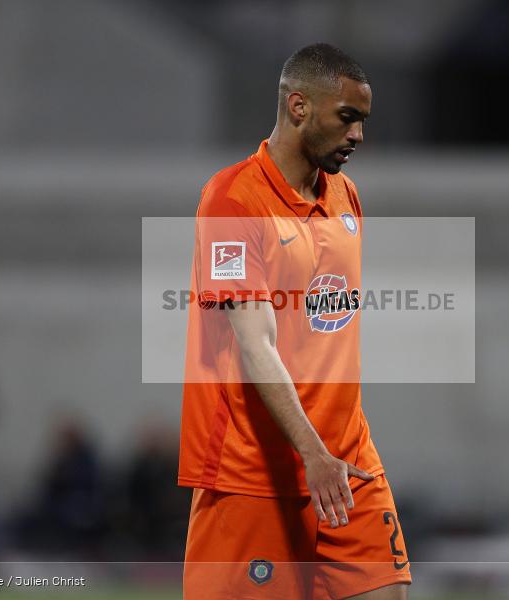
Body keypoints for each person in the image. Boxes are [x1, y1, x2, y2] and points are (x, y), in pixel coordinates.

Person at [179, 43, 410, 599]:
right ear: (300, 108)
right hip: (252, 474)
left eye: (363, 121)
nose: (358, 136)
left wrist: (330, 452)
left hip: (348, 465)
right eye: (347, 118)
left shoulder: (347, 197)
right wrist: (311, 452)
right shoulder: (232, 200)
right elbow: (256, 343)